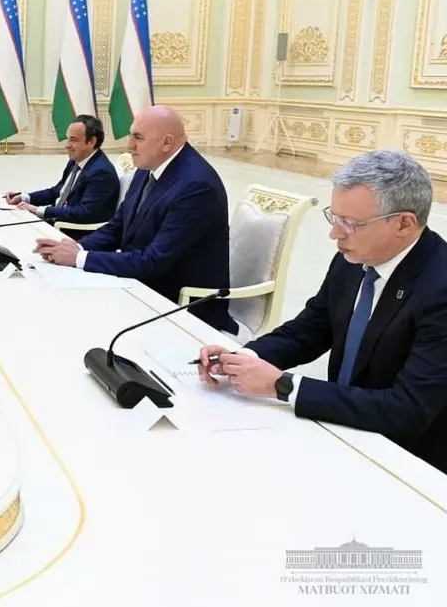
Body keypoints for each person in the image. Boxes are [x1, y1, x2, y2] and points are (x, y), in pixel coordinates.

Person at [198, 150, 447, 474]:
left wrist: (283, 386)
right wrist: (243, 358)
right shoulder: (353, 258)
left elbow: (407, 410)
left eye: (351, 223)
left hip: (410, 462)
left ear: (404, 223)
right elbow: (311, 328)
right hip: (343, 428)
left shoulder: (439, 288)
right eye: (335, 218)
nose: (335, 234)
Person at [36, 105, 235, 334]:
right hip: (142, 285)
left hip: (181, 308)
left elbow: (153, 261)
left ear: (167, 143)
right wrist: (76, 247)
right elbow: (117, 227)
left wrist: (79, 258)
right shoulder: (147, 167)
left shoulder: (196, 186)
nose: (129, 145)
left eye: (138, 137)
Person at [3, 114, 120, 239]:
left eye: (73, 140)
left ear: (91, 141)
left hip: (75, 234)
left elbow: (84, 213)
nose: (67, 145)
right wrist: (24, 198)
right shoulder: (76, 162)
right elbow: (56, 192)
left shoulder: (101, 172)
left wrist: (38, 210)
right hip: (56, 222)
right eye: (67, 139)